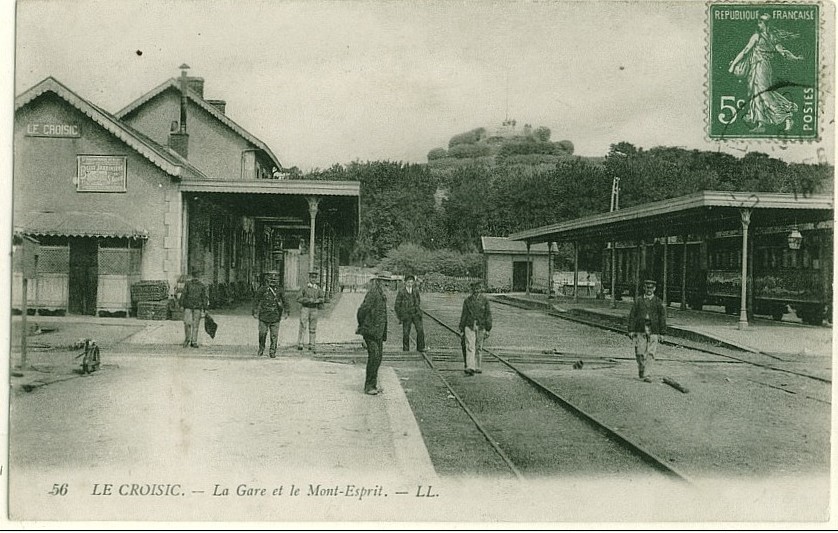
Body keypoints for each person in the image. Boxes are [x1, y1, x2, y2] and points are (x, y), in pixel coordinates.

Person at [728, 14, 803, 133]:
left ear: (764, 24)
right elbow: (784, 52)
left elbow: (745, 51)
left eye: (760, 22)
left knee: (763, 94)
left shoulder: (756, 36)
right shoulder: (773, 37)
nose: (758, 24)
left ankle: (786, 117)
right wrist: (795, 58)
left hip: (760, 67)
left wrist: (733, 66)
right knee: (757, 93)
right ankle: (761, 123)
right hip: (763, 67)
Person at [627, 279, 667, 382]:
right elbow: (632, 315)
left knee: (651, 353)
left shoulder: (658, 301)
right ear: (644, 288)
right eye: (647, 287)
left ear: (654, 289)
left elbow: (662, 317)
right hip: (640, 329)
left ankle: (647, 374)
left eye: (651, 288)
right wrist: (631, 330)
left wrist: (662, 333)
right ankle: (641, 368)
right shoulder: (639, 300)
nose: (649, 290)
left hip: (654, 329)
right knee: (640, 352)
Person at [357, 274, 388, 395]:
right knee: (374, 357)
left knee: (378, 358)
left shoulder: (381, 294)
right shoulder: (373, 293)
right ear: (379, 281)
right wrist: (362, 326)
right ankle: (369, 386)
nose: (387, 284)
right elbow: (362, 310)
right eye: (385, 281)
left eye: (388, 282)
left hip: (378, 332)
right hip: (370, 331)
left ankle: (373, 384)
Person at [252, 270, 290, 358]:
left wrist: (286, 312)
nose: (273, 280)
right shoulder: (262, 289)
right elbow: (256, 300)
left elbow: (285, 301)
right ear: (267, 279)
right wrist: (254, 311)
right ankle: (261, 348)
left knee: (274, 335)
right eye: (271, 278)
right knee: (262, 333)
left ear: (278, 280)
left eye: (275, 278)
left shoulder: (280, 290)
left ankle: (272, 351)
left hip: (275, 315)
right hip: (264, 315)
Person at [458, 280, 492, 376]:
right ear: (472, 290)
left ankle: (478, 366)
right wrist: (461, 328)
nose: (476, 291)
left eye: (478, 289)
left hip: (481, 326)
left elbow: (488, 315)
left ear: (481, 289)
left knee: (478, 347)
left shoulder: (485, 301)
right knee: (470, 346)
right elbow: (464, 315)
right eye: (475, 289)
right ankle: (470, 366)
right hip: (469, 325)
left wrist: (488, 329)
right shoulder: (467, 301)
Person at [178, 266, 209, 348]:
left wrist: (205, 308)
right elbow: (184, 294)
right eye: (195, 275)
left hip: (195, 307)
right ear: (194, 276)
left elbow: (204, 297)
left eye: (197, 276)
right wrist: (181, 305)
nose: (196, 277)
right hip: (191, 306)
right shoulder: (189, 284)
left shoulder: (201, 286)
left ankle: (192, 341)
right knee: (189, 323)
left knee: (193, 324)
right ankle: (189, 340)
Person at [395, 275, 426, 353]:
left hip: (415, 314)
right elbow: (397, 305)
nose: (410, 284)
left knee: (420, 330)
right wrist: (400, 316)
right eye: (408, 282)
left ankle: (421, 348)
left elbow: (418, 301)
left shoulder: (415, 291)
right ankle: (406, 349)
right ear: (405, 283)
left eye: (411, 282)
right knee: (406, 333)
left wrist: (417, 310)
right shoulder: (401, 292)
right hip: (406, 315)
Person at [297, 270, 325, 354]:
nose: (313, 279)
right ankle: (300, 343)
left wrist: (317, 300)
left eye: (315, 278)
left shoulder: (318, 288)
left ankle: (312, 343)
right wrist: (308, 300)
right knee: (303, 325)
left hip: (314, 309)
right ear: (309, 278)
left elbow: (322, 298)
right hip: (305, 308)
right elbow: (298, 298)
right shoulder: (305, 287)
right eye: (312, 277)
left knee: (313, 327)